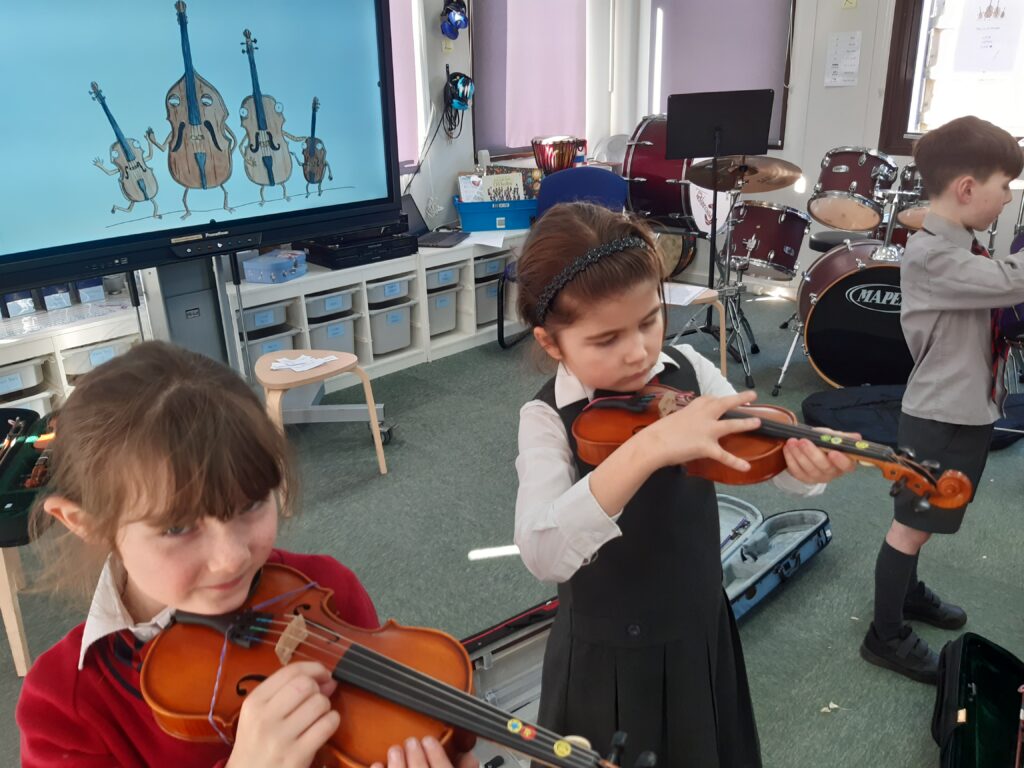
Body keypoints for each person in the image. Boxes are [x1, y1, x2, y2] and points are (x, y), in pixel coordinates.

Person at [16, 341, 476, 768]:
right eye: (177, 527)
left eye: (251, 505)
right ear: (85, 523)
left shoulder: (325, 590)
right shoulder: (61, 704)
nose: (232, 558)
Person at [513, 202, 857, 767]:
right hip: (608, 654)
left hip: (697, 623)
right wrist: (648, 449)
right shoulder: (546, 418)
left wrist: (803, 467)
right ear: (552, 344)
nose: (639, 352)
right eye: (606, 339)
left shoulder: (691, 368)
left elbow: (751, 451)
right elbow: (543, 550)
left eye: (649, 320)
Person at [859, 116, 1024, 684]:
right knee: (911, 524)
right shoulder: (933, 255)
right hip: (940, 416)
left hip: (964, 407)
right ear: (967, 189)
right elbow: (1013, 280)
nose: (1008, 199)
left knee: (926, 521)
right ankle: (884, 635)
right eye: (1006, 187)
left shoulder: (964, 246)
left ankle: (907, 593)